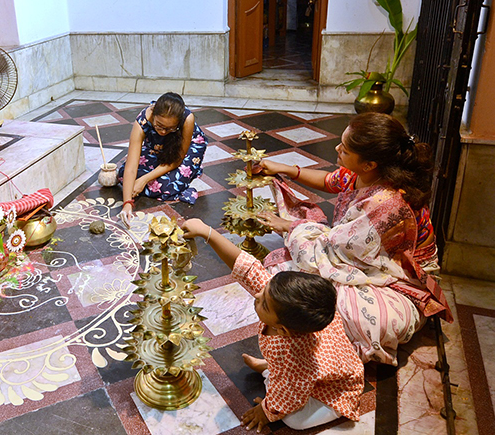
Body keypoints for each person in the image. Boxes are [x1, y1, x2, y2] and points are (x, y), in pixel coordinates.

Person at [256, 112, 451, 365]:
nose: (337, 148)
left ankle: (319, 361)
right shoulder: (368, 173)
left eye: (345, 149)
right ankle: (303, 352)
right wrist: (284, 168)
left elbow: (334, 248)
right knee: (298, 283)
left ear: (369, 164)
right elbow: (330, 181)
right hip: (359, 255)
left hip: (401, 279)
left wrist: (291, 227)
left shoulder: (387, 202)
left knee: (356, 315)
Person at [182, 218, 365, 431]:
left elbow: (290, 395)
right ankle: (272, 369)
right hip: (306, 372)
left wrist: (268, 411)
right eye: (267, 288)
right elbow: (248, 269)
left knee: (293, 420)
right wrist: (207, 232)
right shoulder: (281, 301)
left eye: (264, 304)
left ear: (283, 329)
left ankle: (273, 373)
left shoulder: (298, 359)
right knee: (283, 382)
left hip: (335, 390)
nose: (257, 294)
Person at [118, 93, 207, 225]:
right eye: (159, 125)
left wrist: (144, 180)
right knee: (123, 173)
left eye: (170, 128)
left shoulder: (187, 119)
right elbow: (131, 166)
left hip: (187, 149)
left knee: (164, 186)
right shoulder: (142, 120)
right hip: (157, 146)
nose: (163, 132)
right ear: (153, 115)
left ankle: (191, 170)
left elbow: (177, 160)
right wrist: (127, 203)